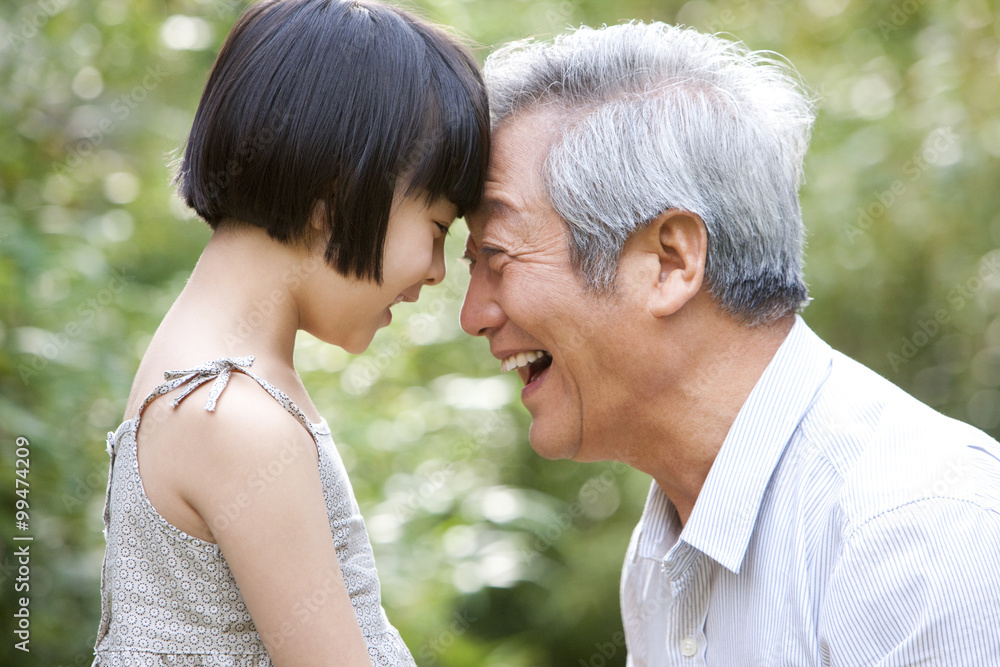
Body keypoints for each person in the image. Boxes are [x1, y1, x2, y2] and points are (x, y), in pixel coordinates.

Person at [460, 21, 1000, 666]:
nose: (474, 315)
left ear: (669, 262)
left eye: (496, 254)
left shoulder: (918, 528)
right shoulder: (662, 550)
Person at [92, 1, 489, 665]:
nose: (436, 272)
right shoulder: (233, 416)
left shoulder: (220, 384)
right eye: (439, 229)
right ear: (336, 193)